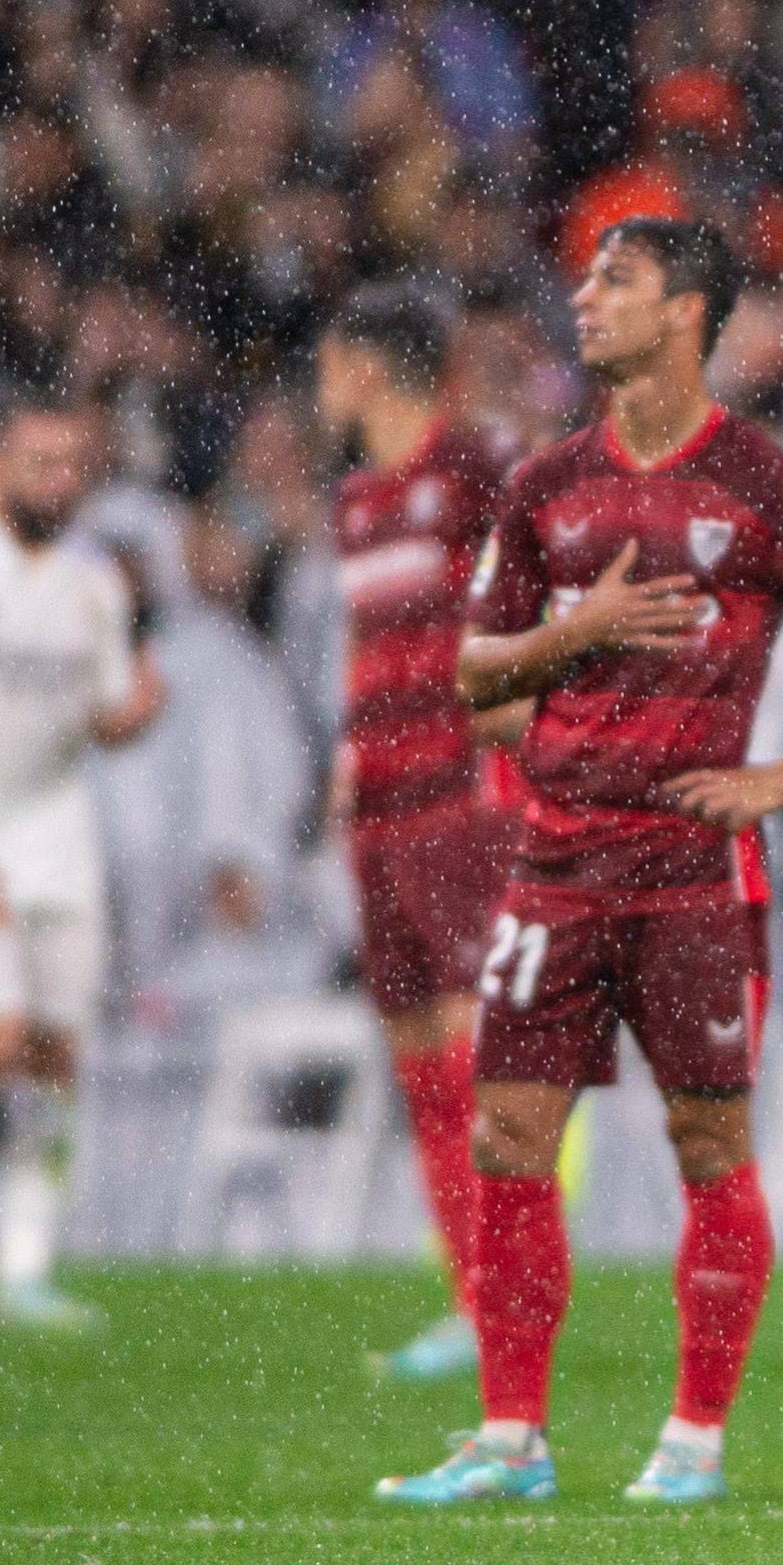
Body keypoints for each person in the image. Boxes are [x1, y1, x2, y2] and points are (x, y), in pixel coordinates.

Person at [375, 216, 783, 1507]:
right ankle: (511, 1439)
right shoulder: (546, 486)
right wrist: (584, 630)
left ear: (687, 310)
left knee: (706, 1142)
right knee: (508, 1136)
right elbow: (472, 673)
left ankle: (692, 1441)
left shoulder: (763, 482)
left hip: (693, 871)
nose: (584, 299)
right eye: (584, 279)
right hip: (555, 863)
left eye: (614, 281)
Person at [313, 284, 527, 1381]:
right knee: (419, 1065)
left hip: (460, 795)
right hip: (383, 801)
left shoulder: (474, 472)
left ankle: (510, 1299)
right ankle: (472, 1298)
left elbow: (537, 597)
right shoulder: (355, 500)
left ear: (364, 365)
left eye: (329, 360)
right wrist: (350, 754)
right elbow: (366, 642)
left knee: (477, 1057)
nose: (321, 383)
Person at [0, 394, 165, 1330]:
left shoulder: (94, 582)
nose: (59, 481)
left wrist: (142, 710)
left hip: (60, 843)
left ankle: (22, 1262)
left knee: (50, 1056)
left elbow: (103, 715)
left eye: (71, 465)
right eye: (39, 461)